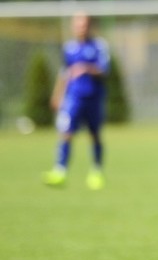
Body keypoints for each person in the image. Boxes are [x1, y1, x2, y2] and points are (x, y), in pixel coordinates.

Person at [43, 12, 110, 190]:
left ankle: (96, 171)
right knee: (66, 132)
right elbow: (64, 73)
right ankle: (60, 171)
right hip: (73, 97)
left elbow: (105, 70)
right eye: (78, 24)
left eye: (85, 24)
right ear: (74, 26)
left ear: (90, 26)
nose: (82, 27)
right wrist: (57, 94)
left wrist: (87, 68)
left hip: (93, 97)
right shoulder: (69, 48)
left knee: (94, 135)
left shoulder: (98, 46)